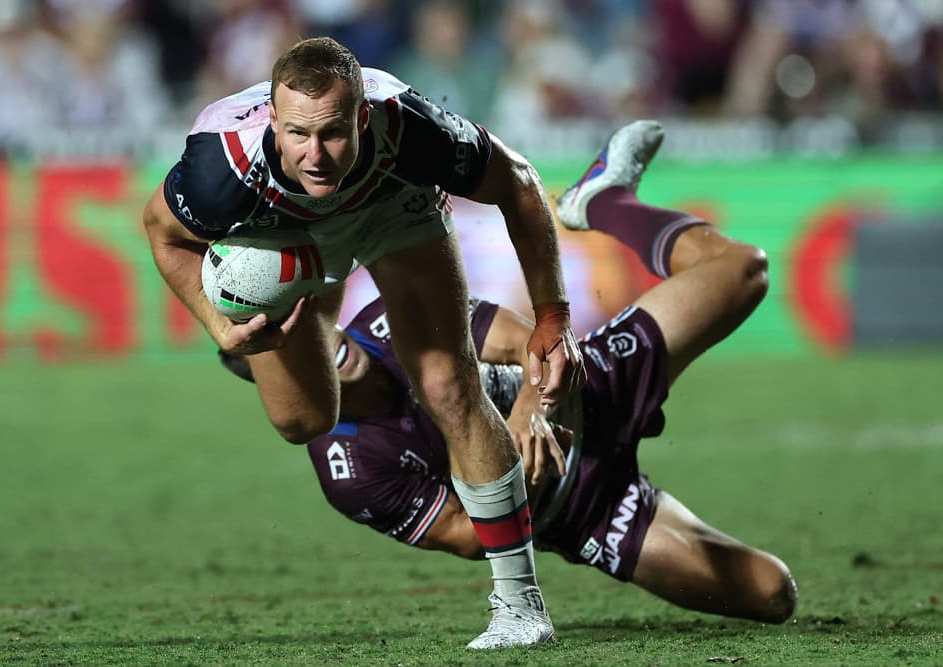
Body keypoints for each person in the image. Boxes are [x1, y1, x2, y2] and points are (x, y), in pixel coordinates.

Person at [221, 120, 799, 625]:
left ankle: (602, 202)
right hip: (578, 506)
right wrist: (499, 463)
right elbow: (472, 540)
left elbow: (533, 341)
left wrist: (531, 406)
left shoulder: (388, 321)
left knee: (744, 269)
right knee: (772, 593)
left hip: (584, 387)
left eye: (309, 325)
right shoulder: (349, 475)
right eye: (295, 353)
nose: (322, 341)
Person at [141, 36, 586, 648]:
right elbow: (162, 234)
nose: (316, 154)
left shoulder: (413, 130)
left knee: (449, 388)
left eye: (333, 133)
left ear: (364, 116)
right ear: (273, 119)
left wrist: (551, 313)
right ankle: (318, 303)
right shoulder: (223, 168)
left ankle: (521, 606)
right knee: (302, 420)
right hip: (283, 239)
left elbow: (519, 183)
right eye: (297, 133)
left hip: (393, 212)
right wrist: (218, 325)